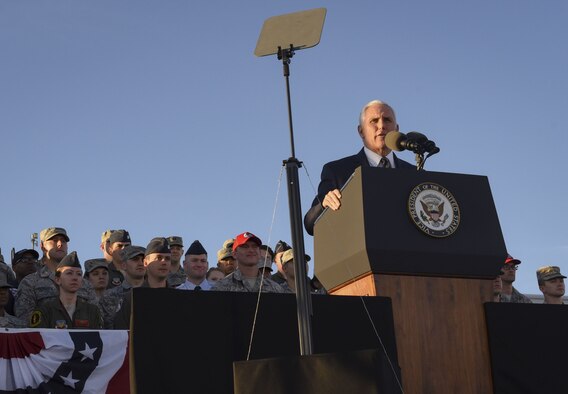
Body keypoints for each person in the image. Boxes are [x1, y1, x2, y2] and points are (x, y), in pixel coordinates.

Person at [304, 100, 414, 235]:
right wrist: (324, 205)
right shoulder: (337, 171)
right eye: (374, 121)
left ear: (396, 129)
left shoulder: (414, 173)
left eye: (387, 120)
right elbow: (310, 224)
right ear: (361, 131)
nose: (381, 126)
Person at [15, 227, 97, 322]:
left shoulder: (84, 284)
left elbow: (96, 317)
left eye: (63, 241)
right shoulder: (30, 283)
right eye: (54, 241)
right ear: (42, 246)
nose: (60, 244)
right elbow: (24, 319)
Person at [29, 252, 103, 329]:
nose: (75, 277)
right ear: (57, 280)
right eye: (69, 273)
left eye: (78, 274)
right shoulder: (45, 311)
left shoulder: (92, 311)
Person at [113, 237, 171, 329]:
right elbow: (122, 335)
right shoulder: (132, 299)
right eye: (158, 258)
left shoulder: (179, 297)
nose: (164, 262)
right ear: (145, 263)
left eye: (167, 258)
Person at [212, 232, 284, 293]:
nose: (251, 250)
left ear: (259, 253)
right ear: (235, 254)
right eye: (245, 246)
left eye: (254, 246)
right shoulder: (221, 287)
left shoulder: (275, 289)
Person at [99, 245, 146, 329]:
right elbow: (107, 329)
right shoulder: (109, 296)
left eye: (143, 260)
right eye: (135, 259)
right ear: (124, 265)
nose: (140, 263)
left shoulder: (154, 292)